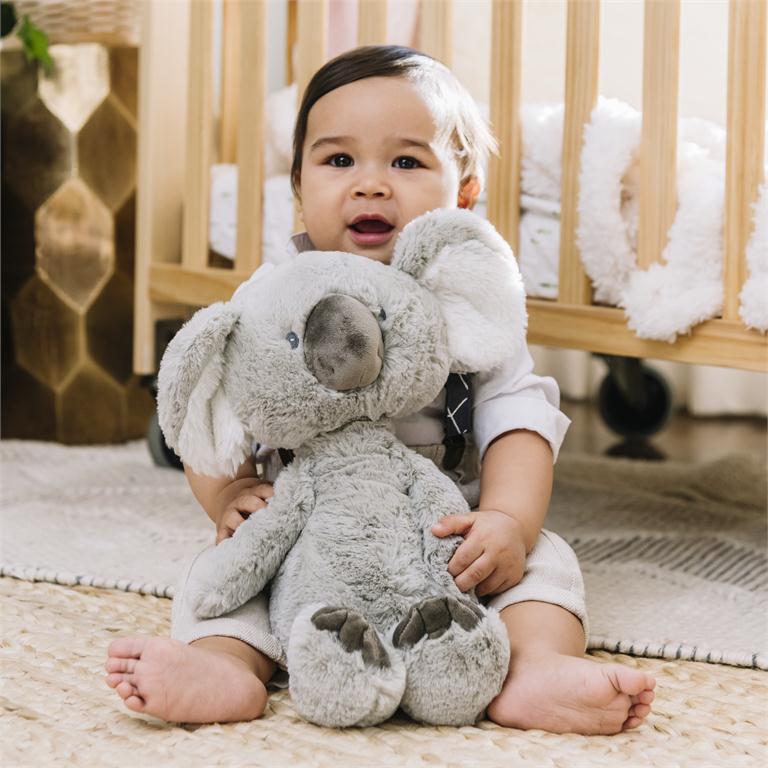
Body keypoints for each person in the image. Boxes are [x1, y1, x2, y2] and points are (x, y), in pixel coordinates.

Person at [105, 45, 655, 734]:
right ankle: (224, 664)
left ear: (464, 191)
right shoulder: (272, 299)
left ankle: (534, 665)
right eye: (339, 161)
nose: (370, 185)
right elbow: (217, 409)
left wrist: (508, 522)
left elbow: (519, 419)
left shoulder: (466, 300)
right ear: (300, 188)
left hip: (448, 541)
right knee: (221, 574)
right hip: (305, 536)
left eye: (406, 161)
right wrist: (227, 495)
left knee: (546, 565)